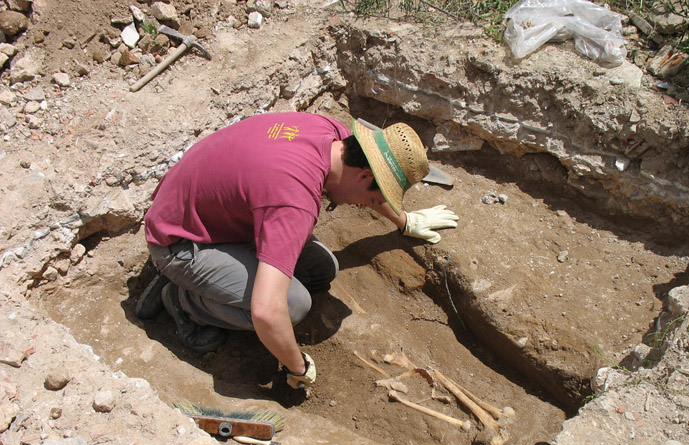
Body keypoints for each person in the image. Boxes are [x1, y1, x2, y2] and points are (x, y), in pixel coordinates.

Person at [136, 112, 458, 389]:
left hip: (209, 209)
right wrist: (297, 368)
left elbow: (369, 184)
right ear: (363, 175)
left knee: (323, 269)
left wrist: (404, 221)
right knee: (291, 305)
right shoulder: (295, 200)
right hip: (180, 239)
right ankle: (184, 301)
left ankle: (213, 278)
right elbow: (266, 311)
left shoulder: (335, 136)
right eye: (373, 198)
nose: (366, 206)